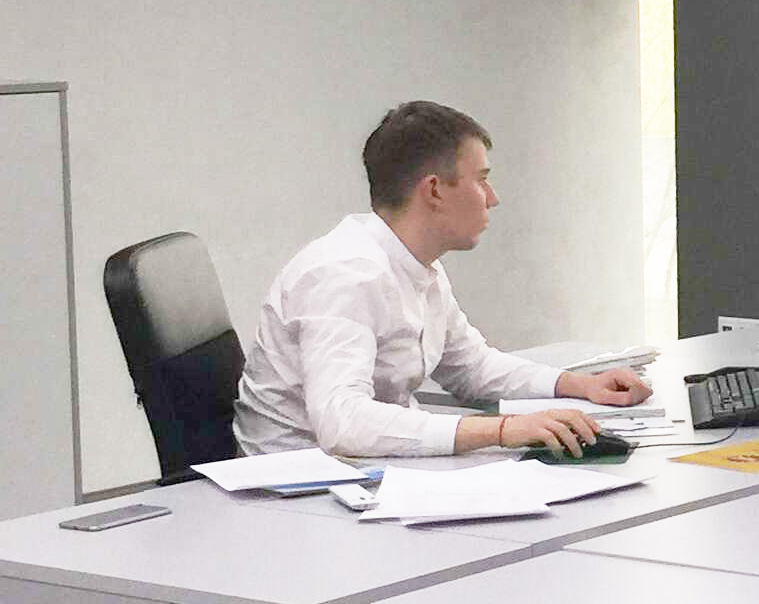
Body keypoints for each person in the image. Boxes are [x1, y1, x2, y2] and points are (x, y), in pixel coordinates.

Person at [235, 99, 651, 460]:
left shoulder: (419, 266)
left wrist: (578, 385)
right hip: (295, 491)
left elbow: (471, 367)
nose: (493, 198)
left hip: (362, 474)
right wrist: (502, 430)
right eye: (481, 180)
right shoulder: (344, 273)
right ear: (434, 190)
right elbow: (342, 422)